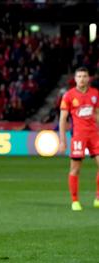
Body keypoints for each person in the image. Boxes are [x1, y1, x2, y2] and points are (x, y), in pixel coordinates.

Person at [58, 66, 99, 211]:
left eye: (84, 76)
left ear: (89, 78)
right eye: (79, 76)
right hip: (78, 136)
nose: (82, 79)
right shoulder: (69, 96)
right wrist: (62, 140)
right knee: (75, 169)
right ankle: (75, 200)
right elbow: (63, 119)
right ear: (75, 79)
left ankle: (98, 197)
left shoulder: (95, 94)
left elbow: (97, 115)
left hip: (95, 135)